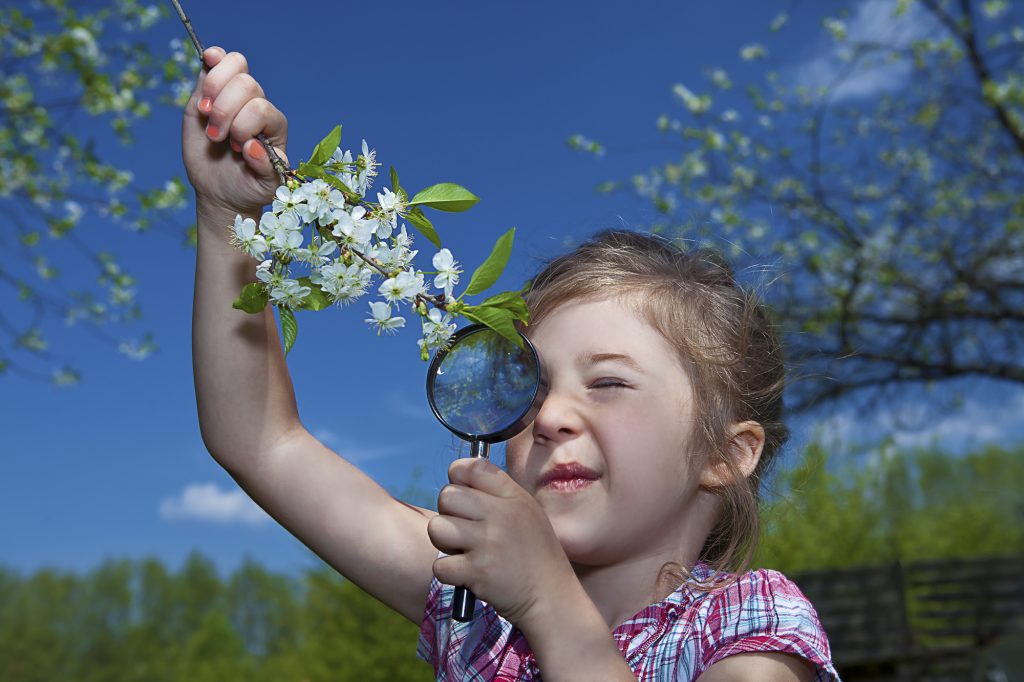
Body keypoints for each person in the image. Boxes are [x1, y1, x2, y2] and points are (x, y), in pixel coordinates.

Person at [184, 45, 841, 682]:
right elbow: (261, 441)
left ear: (723, 456)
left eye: (608, 382)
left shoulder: (748, 620)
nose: (550, 415)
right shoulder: (477, 608)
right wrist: (228, 219)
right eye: (530, 388)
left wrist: (552, 607)